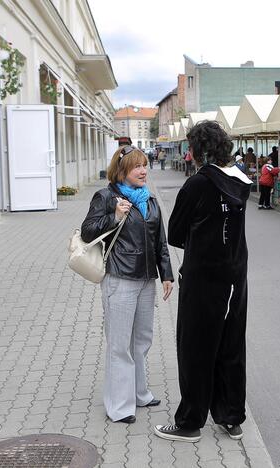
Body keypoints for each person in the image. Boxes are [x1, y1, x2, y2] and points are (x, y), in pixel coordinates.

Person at [154, 120, 252, 443]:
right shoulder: (242, 182)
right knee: (231, 344)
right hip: (235, 278)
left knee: (195, 347)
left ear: (195, 151)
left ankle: (190, 422)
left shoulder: (196, 185)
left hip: (203, 278)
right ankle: (231, 416)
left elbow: (176, 233)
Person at [81, 145, 174, 424]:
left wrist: (166, 274)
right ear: (121, 170)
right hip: (119, 278)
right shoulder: (106, 197)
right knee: (120, 344)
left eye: (144, 165)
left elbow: (161, 241)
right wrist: (115, 217)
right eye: (136, 166)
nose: (143, 170)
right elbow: (87, 232)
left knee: (142, 339)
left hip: (146, 280)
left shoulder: (150, 201)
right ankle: (119, 406)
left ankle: (138, 392)